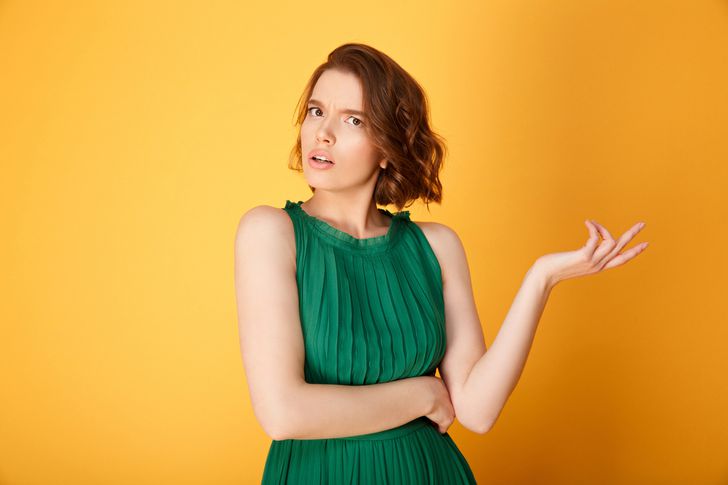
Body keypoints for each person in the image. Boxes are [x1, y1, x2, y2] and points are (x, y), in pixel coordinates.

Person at [233, 43, 648, 484]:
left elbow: (477, 411)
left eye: (353, 120)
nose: (323, 133)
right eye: (316, 112)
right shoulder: (271, 232)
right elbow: (283, 413)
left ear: (387, 148)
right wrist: (422, 394)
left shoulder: (436, 246)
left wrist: (542, 279)